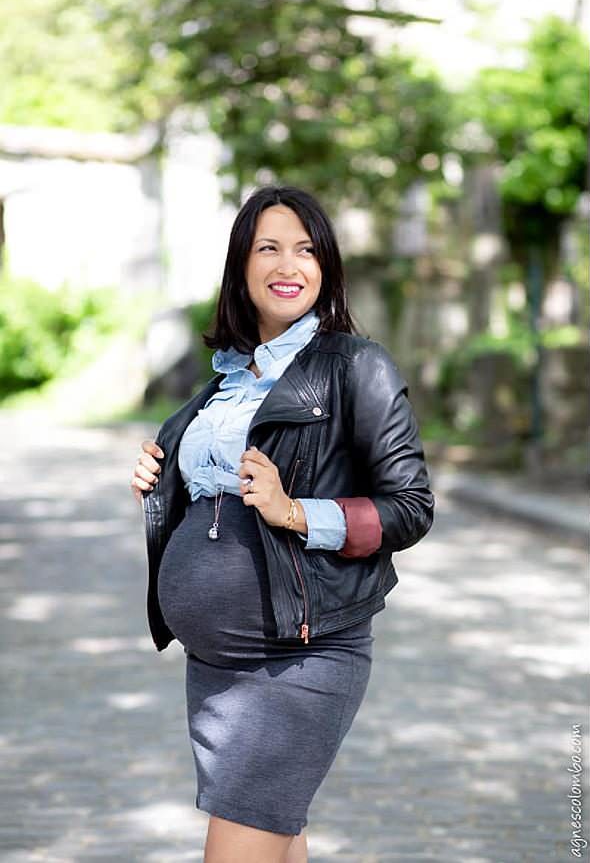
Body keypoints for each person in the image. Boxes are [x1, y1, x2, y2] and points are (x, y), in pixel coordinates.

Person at [130, 185, 435, 861]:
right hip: (216, 668)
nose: (287, 263)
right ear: (242, 266)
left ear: (325, 266)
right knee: (279, 842)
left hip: (298, 658)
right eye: (268, 247)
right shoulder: (223, 382)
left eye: (305, 248)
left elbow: (411, 506)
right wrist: (162, 482)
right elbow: (214, 506)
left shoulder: (357, 367)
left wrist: (295, 511)